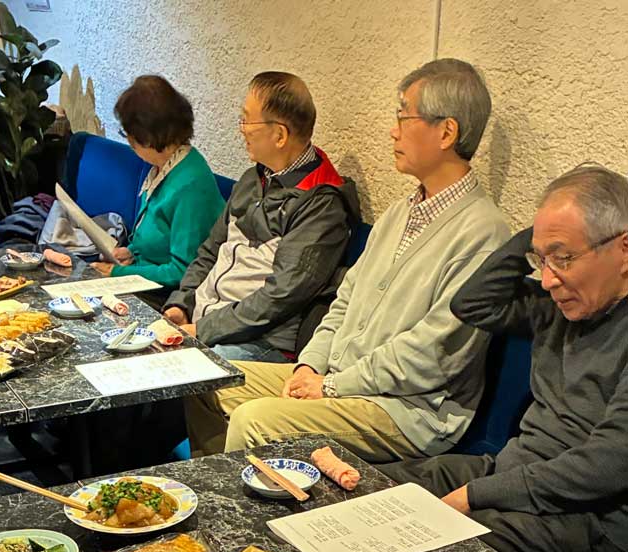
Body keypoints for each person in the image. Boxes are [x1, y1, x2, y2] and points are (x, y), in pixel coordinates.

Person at [185, 59, 510, 458]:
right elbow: (344, 301)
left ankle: (235, 495)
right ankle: (221, 484)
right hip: (342, 379)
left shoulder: (483, 233)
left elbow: (433, 354)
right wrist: (310, 365)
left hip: (405, 410)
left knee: (255, 420)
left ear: (446, 132)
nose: (393, 130)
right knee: (203, 379)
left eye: (404, 116)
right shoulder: (401, 211)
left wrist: (332, 385)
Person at [379, 163, 628, 552]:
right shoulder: (560, 306)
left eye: (564, 258)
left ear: (624, 250)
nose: (547, 280)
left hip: (595, 517)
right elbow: (473, 304)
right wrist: (541, 236)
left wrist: (476, 496)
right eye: (541, 260)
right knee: (375, 487)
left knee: (437, 547)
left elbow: (607, 465)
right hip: (513, 472)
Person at [163, 71, 359, 362]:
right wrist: (181, 304)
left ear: (279, 135)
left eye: (246, 121)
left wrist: (202, 329)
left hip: (261, 343)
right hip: (205, 324)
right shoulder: (252, 179)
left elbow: (280, 297)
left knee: (180, 368)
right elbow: (210, 251)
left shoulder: (321, 205)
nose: (241, 130)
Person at [91, 75, 225, 289]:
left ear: (148, 135)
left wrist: (119, 273)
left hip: (170, 294)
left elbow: (183, 272)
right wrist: (131, 253)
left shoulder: (191, 185)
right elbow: (154, 241)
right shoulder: (162, 165)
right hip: (145, 277)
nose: (129, 140)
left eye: (129, 133)